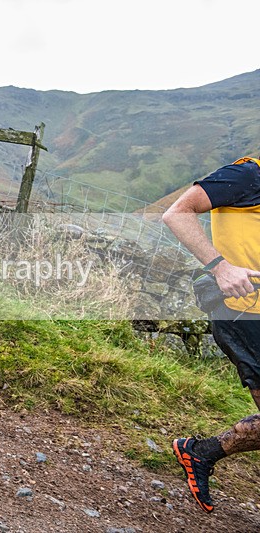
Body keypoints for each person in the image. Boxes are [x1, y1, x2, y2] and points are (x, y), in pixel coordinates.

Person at [163, 156, 260, 513]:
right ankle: (199, 453)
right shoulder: (248, 174)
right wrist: (220, 267)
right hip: (244, 314)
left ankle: (200, 453)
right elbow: (177, 213)